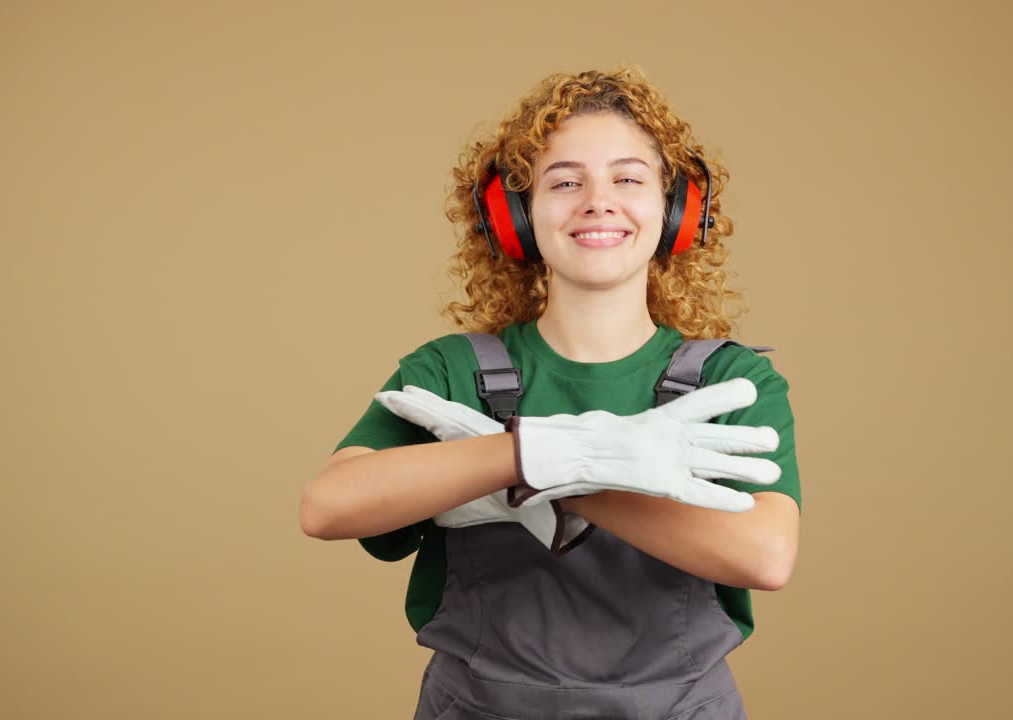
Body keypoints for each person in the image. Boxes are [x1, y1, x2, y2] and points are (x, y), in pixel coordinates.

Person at [301, 66, 801, 719]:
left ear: (677, 209)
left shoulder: (728, 382)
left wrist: (563, 474)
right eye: (565, 182)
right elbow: (327, 506)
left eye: (628, 178)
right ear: (516, 217)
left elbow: (767, 555)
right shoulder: (452, 371)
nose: (598, 200)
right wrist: (527, 456)